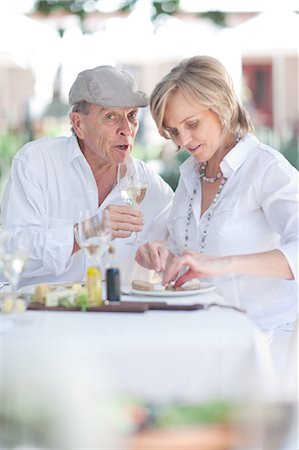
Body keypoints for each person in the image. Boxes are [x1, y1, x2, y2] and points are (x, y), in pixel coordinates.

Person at [136, 56, 298, 371]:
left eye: (192, 124)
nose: (184, 141)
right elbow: (189, 259)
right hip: (202, 342)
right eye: (173, 132)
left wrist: (222, 265)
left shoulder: (267, 169)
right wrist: (159, 257)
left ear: (221, 105)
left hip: (265, 348)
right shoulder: (190, 176)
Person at [1, 65, 173, 287]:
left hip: (117, 317)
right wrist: (87, 230)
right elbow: (15, 252)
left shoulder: (147, 183)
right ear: (78, 124)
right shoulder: (35, 163)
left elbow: (179, 247)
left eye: (131, 116)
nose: (127, 129)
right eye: (111, 117)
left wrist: (161, 253)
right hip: (41, 313)